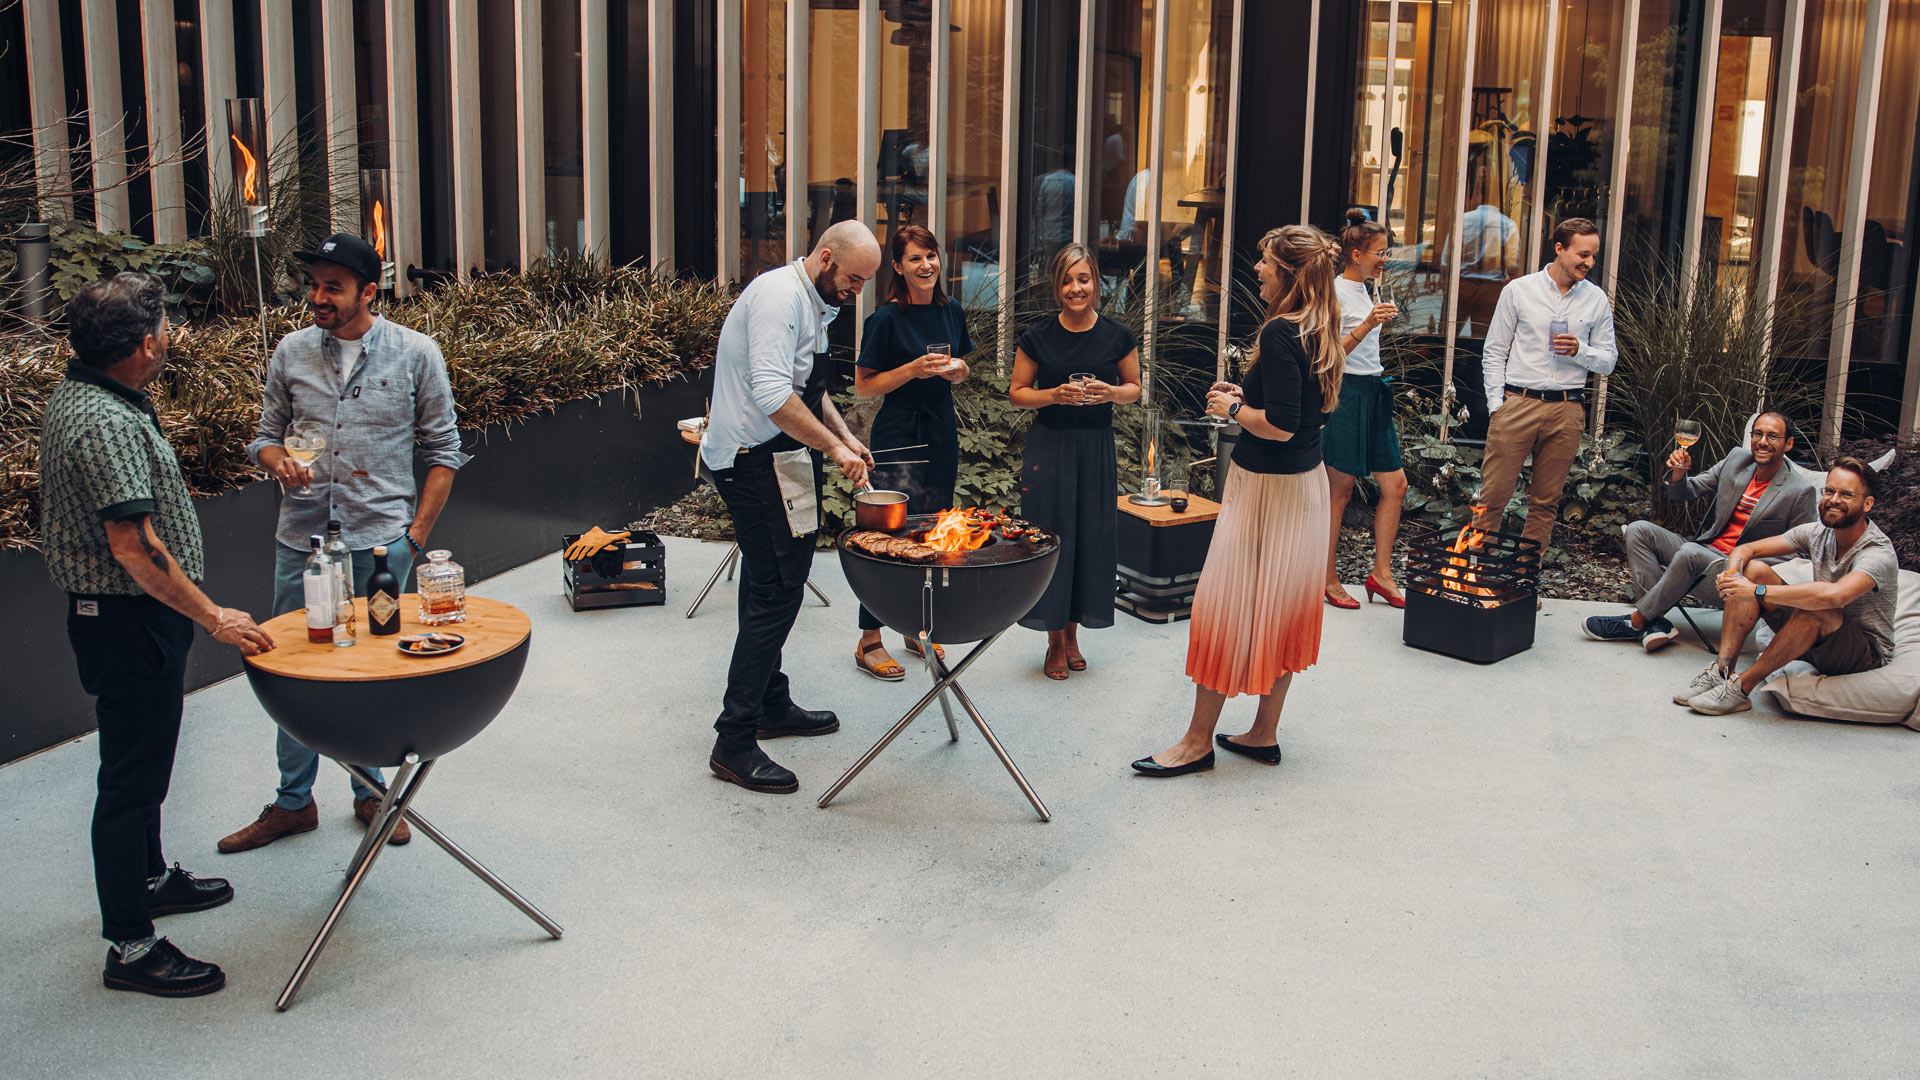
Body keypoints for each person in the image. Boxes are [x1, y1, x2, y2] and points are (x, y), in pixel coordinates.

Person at [38, 272, 277, 996]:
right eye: (164, 325)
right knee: (130, 782)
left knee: (141, 767)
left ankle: (148, 877)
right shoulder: (107, 422)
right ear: (145, 344)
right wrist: (213, 615)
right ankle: (131, 948)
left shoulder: (91, 395)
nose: (169, 334)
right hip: (128, 620)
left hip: (129, 619)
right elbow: (134, 547)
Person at [218, 233, 468, 854]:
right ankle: (293, 803)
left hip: (380, 541)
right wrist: (277, 460)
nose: (318, 297)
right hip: (299, 541)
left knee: (372, 671)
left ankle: (372, 792)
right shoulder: (291, 353)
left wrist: (413, 539)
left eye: (333, 286)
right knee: (293, 670)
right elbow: (263, 436)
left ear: (367, 291)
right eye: (314, 285)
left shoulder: (416, 354)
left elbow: (443, 454)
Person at [1132, 225, 1344, 776]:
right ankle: (1263, 733)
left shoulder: (1278, 332)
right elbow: (1305, 413)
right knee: (1281, 606)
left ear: (1290, 273)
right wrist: (1245, 397)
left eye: (1267, 262)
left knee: (1225, 606)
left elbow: (1278, 425)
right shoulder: (1322, 326)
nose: (1257, 270)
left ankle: (1196, 742)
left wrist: (1231, 412)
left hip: (1265, 493)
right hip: (1304, 489)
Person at [702, 219, 881, 793]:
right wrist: (832, 447)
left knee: (771, 581)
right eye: (853, 280)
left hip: (782, 456)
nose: (855, 293)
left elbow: (810, 390)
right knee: (779, 586)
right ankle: (734, 740)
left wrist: (845, 435)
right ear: (827, 257)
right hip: (751, 459)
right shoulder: (779, 298)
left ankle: (771, 705)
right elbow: (773, 394)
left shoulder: (816, 301)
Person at [1009, 242, 1143, 680]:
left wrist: (1109, 393)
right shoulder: (1038, 336)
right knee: (1052, 539)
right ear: (1056, 286)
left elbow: (1135, 388)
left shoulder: (1118, 335)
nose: (1075, 288)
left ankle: (1072, 635)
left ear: (1097, 283)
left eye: (1083, 279)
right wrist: (1054, 395)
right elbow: (1017, 393)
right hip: (1050, 447)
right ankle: (1052, 640)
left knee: (1089, 539)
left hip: (1095, 447)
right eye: (1066, 280)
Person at [1582, 411, 1816, 651]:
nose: (1763, 441)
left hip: (1733, 576)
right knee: (1638, 530)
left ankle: (1637, 621)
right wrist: (1680, 473)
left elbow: (1800, 554)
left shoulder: (1799, 491)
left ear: (1788, 443)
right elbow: (1685, 492)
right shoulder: (1737, 459)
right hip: (1701, 555)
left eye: (1772, 436)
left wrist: (1749, 562)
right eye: (1758, 434)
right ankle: (1656, 623)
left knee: (1690, 552)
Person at [1683, 458, 1900, 715]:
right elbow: (1746, 549)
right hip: (1816, 639)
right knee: (1754, 571)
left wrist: (1755, 591)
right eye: (1829, 491)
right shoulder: (1819, 532)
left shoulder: (1877, 553)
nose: (1833, 499)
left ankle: (1741, 689)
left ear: (1867, 504)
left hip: (1864, 653)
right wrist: (1733, 577)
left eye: (1846, 494)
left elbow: (1835, 596)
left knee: (1818, 606)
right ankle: (1722, 669)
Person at [851, 225, 973, 680]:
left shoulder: (951, 310)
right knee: (888, 535)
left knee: (932, 529)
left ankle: (917, 628)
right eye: (916, 259)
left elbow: (961, 367)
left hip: (941, 429)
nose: (927, 266)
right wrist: (912, 369)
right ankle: (869, 639)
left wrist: (958, 370)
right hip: (899, 432)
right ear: (898, 267)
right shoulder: (884, 319)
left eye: (932, 256)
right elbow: (864, 387)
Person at [1473, 217, 1617, 557]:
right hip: (1518, 403)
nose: (1589, 263)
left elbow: (1609, 360)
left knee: (1545, 503)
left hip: (1567, 409)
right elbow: (1495, 350)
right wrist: (1497, 403)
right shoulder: (1519, 291)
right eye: (1583, 254)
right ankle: (1475, 571)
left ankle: (1525, 579)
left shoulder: (1596, 300)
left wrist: (1580, 350)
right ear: (1559, 249)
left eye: (1594, 256)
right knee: (1492, 496)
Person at [1323, 208, 1409, 609]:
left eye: (1386, 251)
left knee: (1396, 486)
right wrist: (1367, 325)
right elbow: (1329, 357)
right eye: (1378, 252)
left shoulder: (1368, 290)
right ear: (1355, 254)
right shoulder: (1336, 292)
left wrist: (1373, 319)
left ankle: (1381, 575)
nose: (1384, 259)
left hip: (1374, 390)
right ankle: (1326, 576)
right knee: (1338, 493)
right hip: (1346, 393)